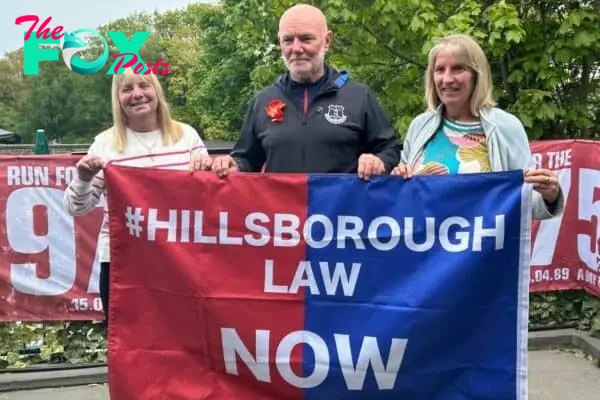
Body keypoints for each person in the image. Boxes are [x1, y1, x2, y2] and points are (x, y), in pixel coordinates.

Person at [64, 68, 212, 321]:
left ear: (156, 90)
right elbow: (76, 208)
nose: (137, 95)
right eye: (127, 89)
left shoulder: (187, 136)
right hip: (124, 260)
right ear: (117, 98)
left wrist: (206, 173)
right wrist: (84, 178)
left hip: (180, 257)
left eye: (144, 86)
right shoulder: (104, 143)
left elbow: (207, 198)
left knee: (186, 332)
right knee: (130, 341)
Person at [204, 3, 399, 179]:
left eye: (306, 39)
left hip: (340, 216)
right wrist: (234, 164)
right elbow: (247, 159)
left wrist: (378, 161)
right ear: (279, 42)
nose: (296, 48)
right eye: (288, 40)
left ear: (327, 40)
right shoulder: (262, 100)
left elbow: (390, 151)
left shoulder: (359, 96)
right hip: (282, 217)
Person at [392, 33, 563, 220]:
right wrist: (398, 178)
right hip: (424, 246)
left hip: (484, 248)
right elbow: (400, 198)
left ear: (476, 75)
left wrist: (550, 195)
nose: (447, 79)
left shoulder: (506, 127)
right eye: (440, 69)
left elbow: (526, 203)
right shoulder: (419, 126)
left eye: (458, 69)